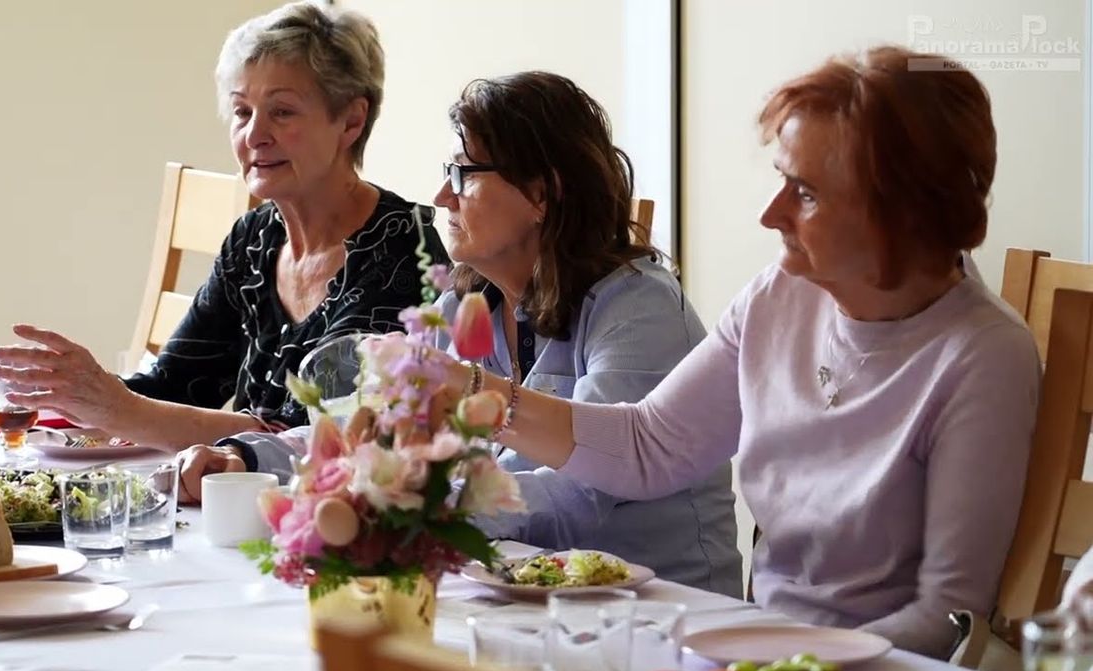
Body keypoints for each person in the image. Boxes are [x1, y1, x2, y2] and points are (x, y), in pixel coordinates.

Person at [424, 47, 1040, 658]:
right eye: (781, 180)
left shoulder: (984, 355)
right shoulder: (780, 295)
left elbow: (944, 619)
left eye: (805, 193)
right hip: (756, 645)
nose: (769, 214)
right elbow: (647, 445)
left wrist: (779, 660)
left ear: (902, 212)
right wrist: (471, 390)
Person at [175, 71, 743, 595]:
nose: (442, 196)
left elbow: (579, 498)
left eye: (462, 175)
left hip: (663, 616)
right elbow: (364, 430)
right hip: (521, 599)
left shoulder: (637, 305)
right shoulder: (467, 306)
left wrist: (401, 496)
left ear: (542, 194)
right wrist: (246, 459)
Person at [0, 2, 447, 452]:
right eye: (242, 111)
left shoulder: (404, 253)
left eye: (281, 112)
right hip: (238, 505)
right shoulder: (254, 239)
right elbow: (176, 385)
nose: (253, 136)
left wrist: (115, 407)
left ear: (351, 120)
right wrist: (51, 393)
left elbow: (313, 443)